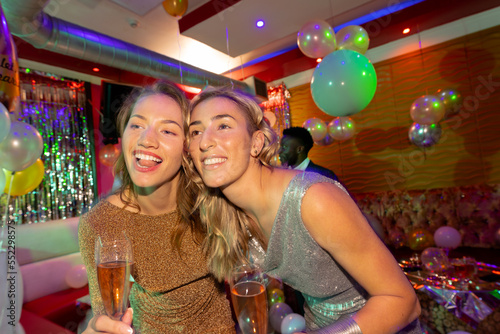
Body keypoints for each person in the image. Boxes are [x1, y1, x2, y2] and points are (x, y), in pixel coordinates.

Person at [186, 87, 421, 334]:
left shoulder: (313, 199)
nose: (204, 141)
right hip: (315, 325)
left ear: (256, 143)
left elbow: (403, 301)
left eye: (223, 126)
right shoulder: (230, 212)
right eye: (195, 131)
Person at [79, 81, 235, 334]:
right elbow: (105, 314)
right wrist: (99, 328)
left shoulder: (211, 200)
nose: (146, 139)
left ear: (187, 147)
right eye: (137, 125)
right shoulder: (100, 221)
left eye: (168, 131)